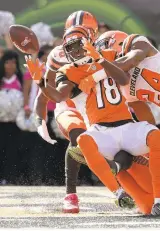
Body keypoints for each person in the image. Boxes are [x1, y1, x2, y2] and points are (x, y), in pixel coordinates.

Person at [26, 25, 160, 216]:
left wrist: (99, 62)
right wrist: (41, 82)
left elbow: (123, 79)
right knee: (83, 141)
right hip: (101, 131)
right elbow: (58, 97)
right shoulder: (68, 71)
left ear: (90, 41)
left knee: (156, 135)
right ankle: (117, 193)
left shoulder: (108, 54)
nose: (75, 51)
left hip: (126, 126)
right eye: (70, 48)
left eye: (78, 45)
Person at [31, 10, 99, 213]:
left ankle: (128, 187)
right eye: (73, 33)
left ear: (93, 35)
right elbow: (44, 94)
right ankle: (71, 194)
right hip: (68, 105)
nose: (77, 39)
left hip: (96, 105)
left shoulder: (103, 49)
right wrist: (39, 121)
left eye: (84, 32)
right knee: (77, 136)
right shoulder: (58, 55)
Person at [0, 50, 23, 184]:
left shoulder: (20, 80)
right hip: (0, 122)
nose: (10, 65)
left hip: (15, 123)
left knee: (12, 150)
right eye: (7, 62)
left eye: (14, 62)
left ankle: (11, 177)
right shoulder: (1, 80)